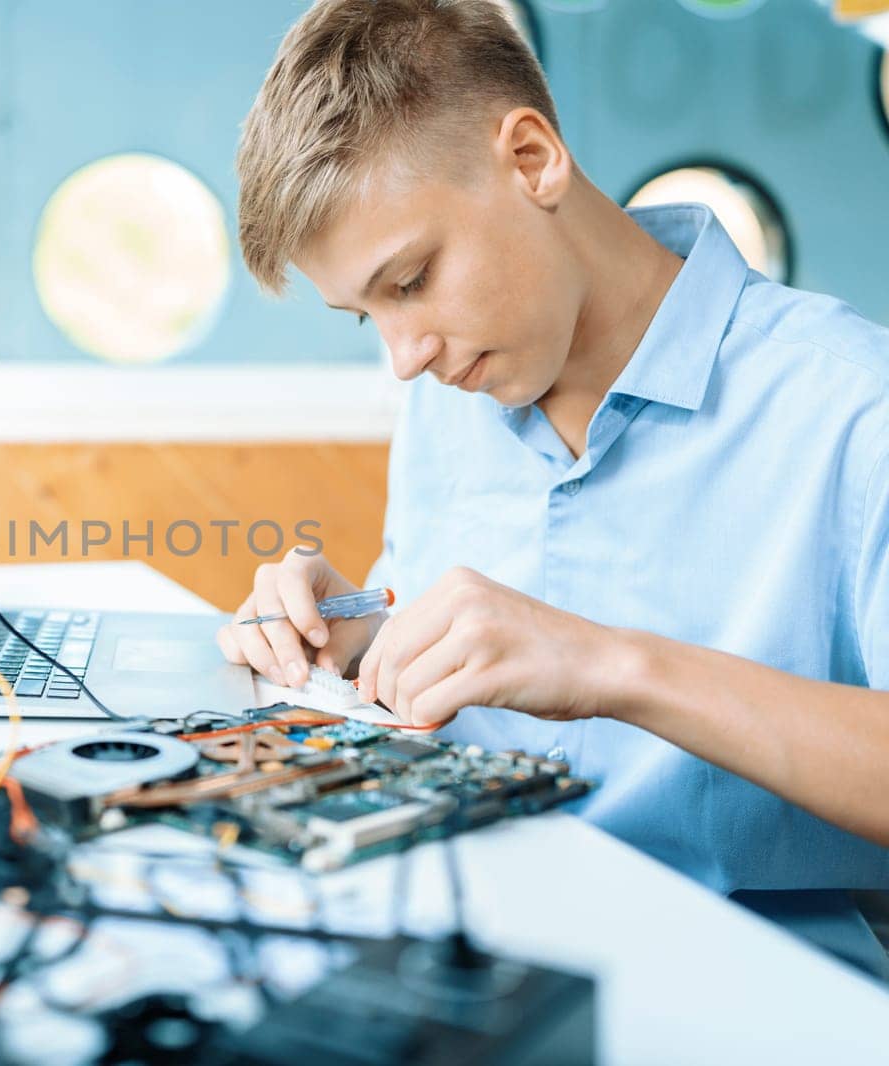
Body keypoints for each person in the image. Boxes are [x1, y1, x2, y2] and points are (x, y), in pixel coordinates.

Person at [217, 0, 889, 976]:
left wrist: (611, 665)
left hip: (743, 989)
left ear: (531, 160)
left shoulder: (849, 403)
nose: (403, 358)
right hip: (457, 953)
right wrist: (352, 628)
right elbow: (446, 657)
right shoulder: (454, 390)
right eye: (366, 317)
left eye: (409, 281)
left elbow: (566, 657)